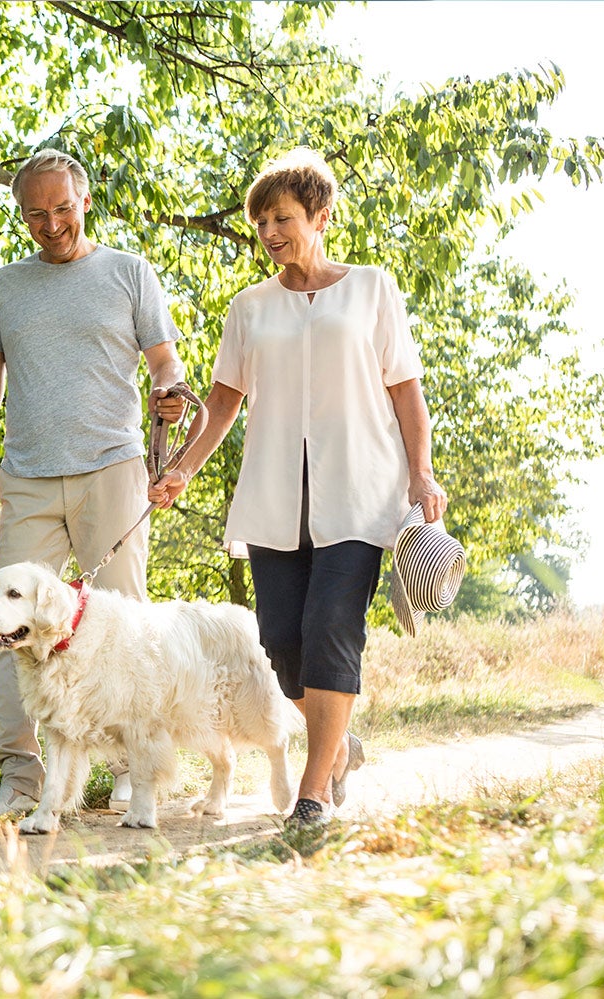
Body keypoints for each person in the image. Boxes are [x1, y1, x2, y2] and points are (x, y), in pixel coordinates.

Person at [148, 148, 447, 828]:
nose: (270, 233)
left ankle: (311, 793)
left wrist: (420, 470)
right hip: (274, 495)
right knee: (282, 640)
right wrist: (181, 468)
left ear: (318, 216)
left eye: (281, 217)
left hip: (359, 492)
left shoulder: (371, 287)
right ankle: (337, 743)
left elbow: (405, 388)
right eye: (260, 222)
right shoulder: (248, 307)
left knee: (328, 627)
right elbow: (223, 401)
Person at [0, 148, 187, 819]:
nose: (50, 223)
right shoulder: (5, 285)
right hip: (26, 476)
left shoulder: (126, 272)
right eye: (35, 212)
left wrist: (169, 391)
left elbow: (164, 359)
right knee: (7, 628)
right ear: (20, 214)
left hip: (111, 468)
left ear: (84, 201)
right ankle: (20, 779)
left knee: (122, 630)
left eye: (61, 207)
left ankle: (126, 768)